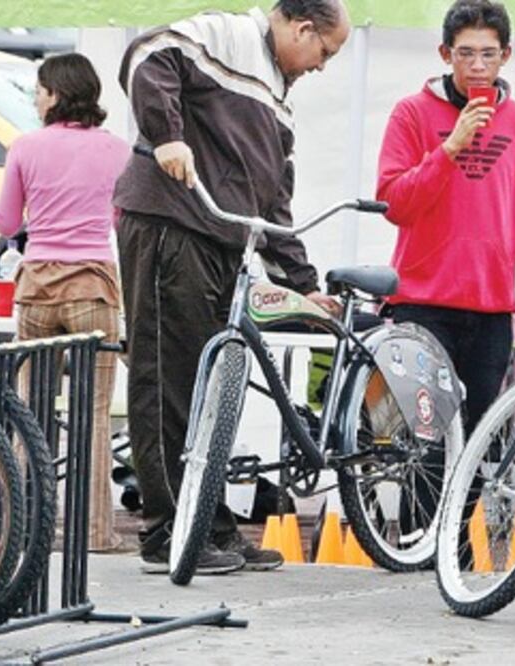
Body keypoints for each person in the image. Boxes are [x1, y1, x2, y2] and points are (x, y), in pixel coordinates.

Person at [113, 0, 352, 574]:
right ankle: (168, 532)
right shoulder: (227, 33)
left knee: (209, 390)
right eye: (325, 51)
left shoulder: (277, 97)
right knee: (169, 380)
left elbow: (275, 206)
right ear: (301, 28)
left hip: (222, 244)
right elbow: (146, 55)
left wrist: (305, 286)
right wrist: (167, 137)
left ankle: (208, 524)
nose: (322, 66)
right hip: (171, 223)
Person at [375, 0, 515, 523]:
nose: (476, 66)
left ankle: (451, 549)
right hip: (421, 304)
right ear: (444, 54)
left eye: (488, 54)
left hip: (491, 310)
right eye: (465, 54)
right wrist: (450, 147)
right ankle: (414, 540)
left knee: (478, 440)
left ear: (506, 56)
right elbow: (395, 202)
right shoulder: (412, 114)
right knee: (424, 439)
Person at [0, 53, 129, 553]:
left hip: (35, 289)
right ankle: (95, 534)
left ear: (56, 94)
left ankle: (23, 528)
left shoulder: (25, 147)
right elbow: (118, 220)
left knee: (30, 410)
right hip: (92, 286)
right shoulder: (117, 151)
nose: (35, 97)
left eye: (39, 89)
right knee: (92, 416)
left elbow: (7, 223)